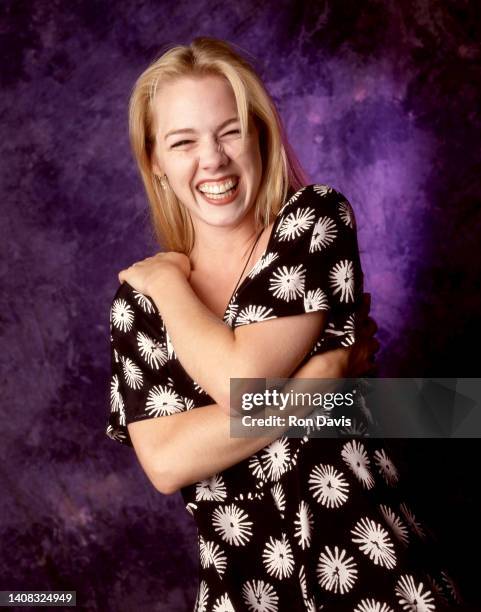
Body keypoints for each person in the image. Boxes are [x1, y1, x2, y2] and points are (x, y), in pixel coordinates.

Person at [106, 37, 463, 611]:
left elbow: (241, 379)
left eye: (230, 131)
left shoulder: (312, 220)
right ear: (157, 165)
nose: (213, 159)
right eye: (183, 142)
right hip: (241, 589)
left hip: (369, 571)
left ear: (261, 137)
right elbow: (168, 465)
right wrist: (321, 386)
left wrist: (169, 284)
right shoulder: (137, 308)